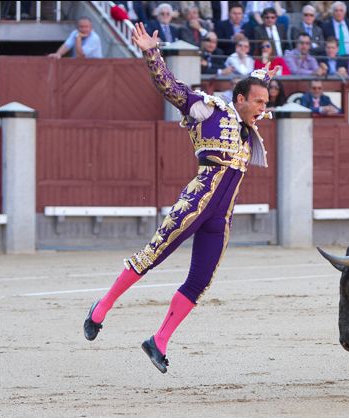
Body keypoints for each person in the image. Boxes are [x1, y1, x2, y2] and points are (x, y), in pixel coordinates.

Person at [84, 22, 279, 374]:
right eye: (260, 102)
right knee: (153, 255)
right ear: (240, 99)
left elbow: (254, 93)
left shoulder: (248, 122)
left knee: (200, 280)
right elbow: (171, 88)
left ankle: (158, 340)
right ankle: (101, 307)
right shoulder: (209, 109)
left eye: (266, 103)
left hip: (221, 218)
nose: (264, 109)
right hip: (196, 201)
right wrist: (150, 53)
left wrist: (262, 75)